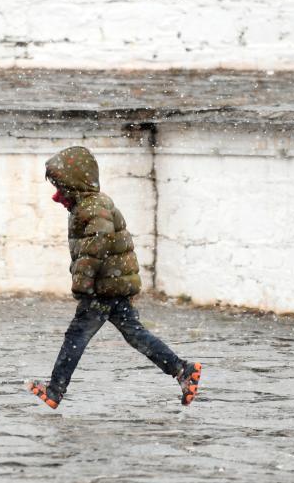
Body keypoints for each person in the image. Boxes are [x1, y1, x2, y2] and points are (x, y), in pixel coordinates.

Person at [26, 146, 202, 409]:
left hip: (103, 287)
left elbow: (96, 246)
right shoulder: (89, 205)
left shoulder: (93, 207)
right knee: (135, 334)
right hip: (113, 284)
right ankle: (182, 369)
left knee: (76, 336)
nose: (59, 190)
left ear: (75, 181)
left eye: (62, 183)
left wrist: (83, 283)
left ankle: (55, 390)